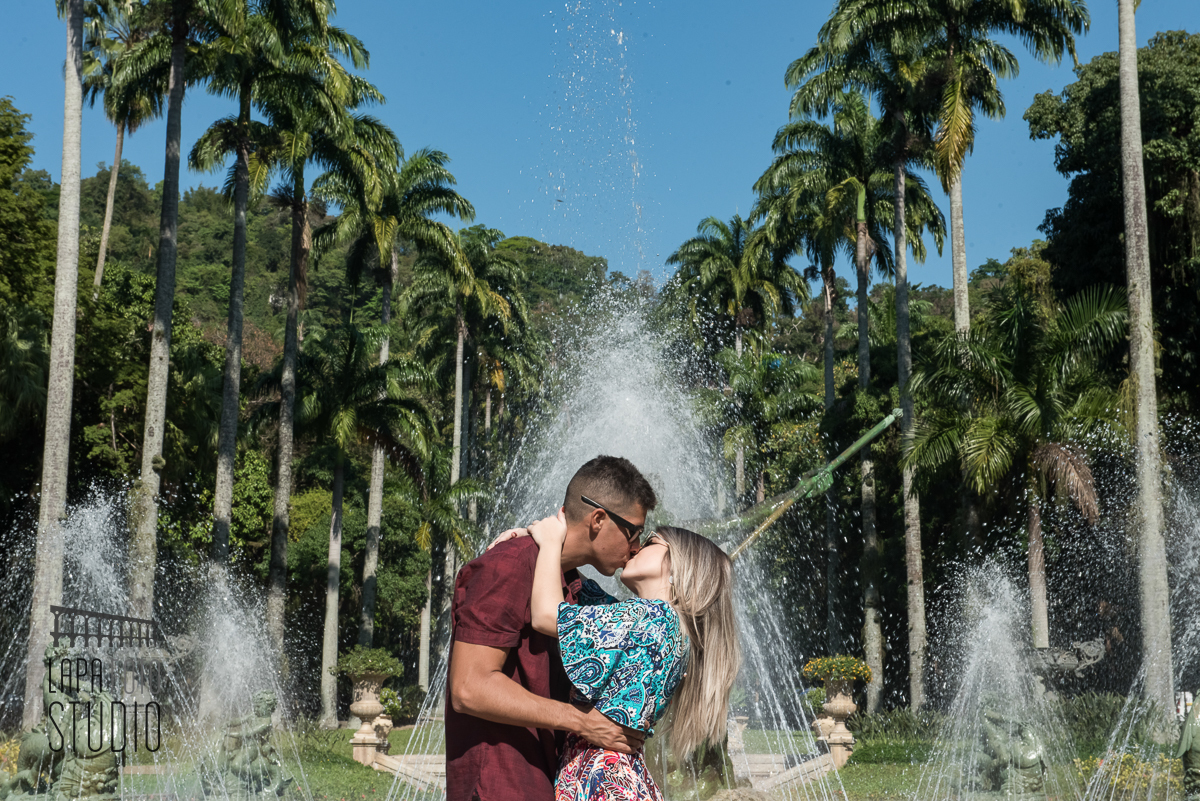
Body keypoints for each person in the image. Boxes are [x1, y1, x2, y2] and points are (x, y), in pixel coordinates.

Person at [445, 456, 657, 801]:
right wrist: (581, 721)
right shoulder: (510, 564)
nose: (635, 547)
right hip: (502, 784)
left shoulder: (573, 587)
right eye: (633, 532)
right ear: (598, 520)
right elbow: (469, 687)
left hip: (544, 780)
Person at [526, 513, 740, 801]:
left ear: (677, 565)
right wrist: (528, 543)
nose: (636, 547)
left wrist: (549, 541)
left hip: (604, 781)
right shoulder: (661, 626)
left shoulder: (656, 617)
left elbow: (545, 616)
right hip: (619, 779)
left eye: (651, 541)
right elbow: (578, 587)